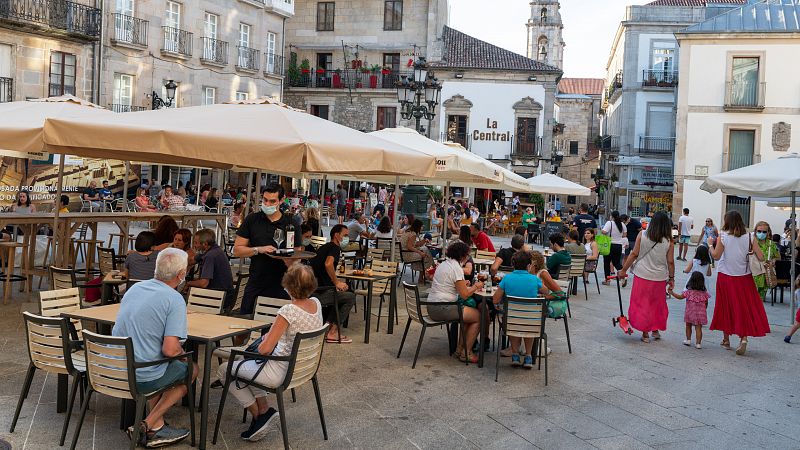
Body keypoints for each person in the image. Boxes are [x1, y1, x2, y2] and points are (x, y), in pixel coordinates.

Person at [216, 264, 323, 441]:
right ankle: (264, 409)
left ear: (288, 285)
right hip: (304, 368)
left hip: (280, 371)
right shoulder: (316, 304)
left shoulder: (288, 311)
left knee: (225, 370)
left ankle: (259, 415)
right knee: (246, 364)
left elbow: (264, 349)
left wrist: (265, 341)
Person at [113, 248, 197, 447]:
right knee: (192, 369)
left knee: (159, 361)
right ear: (181, 274)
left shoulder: (135, 288)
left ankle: (156, 427)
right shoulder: (174, 299)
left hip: (113, 368)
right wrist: (184, 356)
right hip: (140, 376)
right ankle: (148, 422)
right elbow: (170, 350)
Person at [233, 183, 303, 316]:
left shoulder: (291, 223)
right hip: (256, 281)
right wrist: (258, 249)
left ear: (281, 201)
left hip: (281, 283)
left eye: (272, 201)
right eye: (265, 200)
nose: (268, 204)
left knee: (274, 327)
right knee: (244, 323)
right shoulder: (252, 219)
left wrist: (287, 259)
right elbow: (237, 250)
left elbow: (297, 255)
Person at [708, 210, 770, 355]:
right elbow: (761, 257)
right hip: (744, 277)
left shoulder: (723, 236)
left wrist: (710, 244)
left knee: (725, 306)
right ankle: (743, 338)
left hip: (725, 276)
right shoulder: (750, 236)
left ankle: (726, 339)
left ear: (727, 221)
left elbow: (716, 256)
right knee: (742, 307)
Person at [617, 211, 674, 343]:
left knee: (642, 303)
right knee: (657, 304)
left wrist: (623, 270)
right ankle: (655, 330)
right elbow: (670, 261)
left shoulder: (642, 234)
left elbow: (634, 254)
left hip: (642, 274)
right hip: (659, 277)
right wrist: (671, 278)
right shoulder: (669, 241)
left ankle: (645, 333)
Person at [427, 241, 484, 363]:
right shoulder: (456, 268)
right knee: (479, 317)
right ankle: (466, 353)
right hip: (443, 308)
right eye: (467, 255)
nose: (468, 257)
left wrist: (464, 284)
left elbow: (450, 285)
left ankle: (459, 349)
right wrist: (476, 286)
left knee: (470, 316)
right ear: (463, 256)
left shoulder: (444, 264)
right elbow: (464, 295)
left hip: (432, 306)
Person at [492, 250, 546, 368]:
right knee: (528, 323)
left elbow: (495, 300)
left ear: (513, 265)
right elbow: (547, 292)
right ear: (528, 266)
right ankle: (528, 356)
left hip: (512, 321)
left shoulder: (507, 279)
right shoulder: (534, 279)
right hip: (532, 323)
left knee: (513, 319)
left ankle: (515, 354)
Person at [308, 224, 356, 343]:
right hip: (321, 292)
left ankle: (327, 327)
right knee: (350, 297)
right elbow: (328, 264)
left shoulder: (323, 247)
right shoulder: (335, 248)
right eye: (345, 235)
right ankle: (333, 332)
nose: (346, 238)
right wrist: (336, 282)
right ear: (336, 235)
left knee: (342, 294)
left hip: (313, 289)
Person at [184, 229, 234, 309]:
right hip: (226, 295)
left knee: (181, 299)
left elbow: (204, 283)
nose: (194, 246)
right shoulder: (215, 250)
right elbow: (191, 260)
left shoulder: (210, 256)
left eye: (196, 243)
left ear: (205, 244)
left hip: (218, 298)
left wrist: (188, 283)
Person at [668, 271, 710, 349]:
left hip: (690, 313)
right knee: (698, 327)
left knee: (688, 325)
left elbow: (679, 297)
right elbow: (706, 303)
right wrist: (704, 309)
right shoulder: (704, 293)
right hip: (701, 313)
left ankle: (688, 340)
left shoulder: (688, 292)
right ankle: (698, 343)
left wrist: (672, 292)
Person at [752, 221, 779, 301]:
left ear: (768, 232)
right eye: (759, 231)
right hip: (751, 276)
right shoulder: (751, 242)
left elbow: (777, 257)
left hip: (765, 276)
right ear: (755, 231)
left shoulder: (771, 244)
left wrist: (773, 261)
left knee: (760, 301)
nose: (761, 233)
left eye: (764, 232)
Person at [601, 211, 627, 285]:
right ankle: (623, 276)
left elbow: (604, 232)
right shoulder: (622, 224)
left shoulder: (610, 223)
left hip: (609, 245)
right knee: (616, 263)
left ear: (612, 216)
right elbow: (624, 234)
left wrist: (603, 230)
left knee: (606, 262)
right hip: (619, 246)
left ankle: (607, 280)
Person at [784, 276, 800, 343]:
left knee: (796, 324)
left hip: (799, 310)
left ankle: (788, 336)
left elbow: (796, 299)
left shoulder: (797, 291)